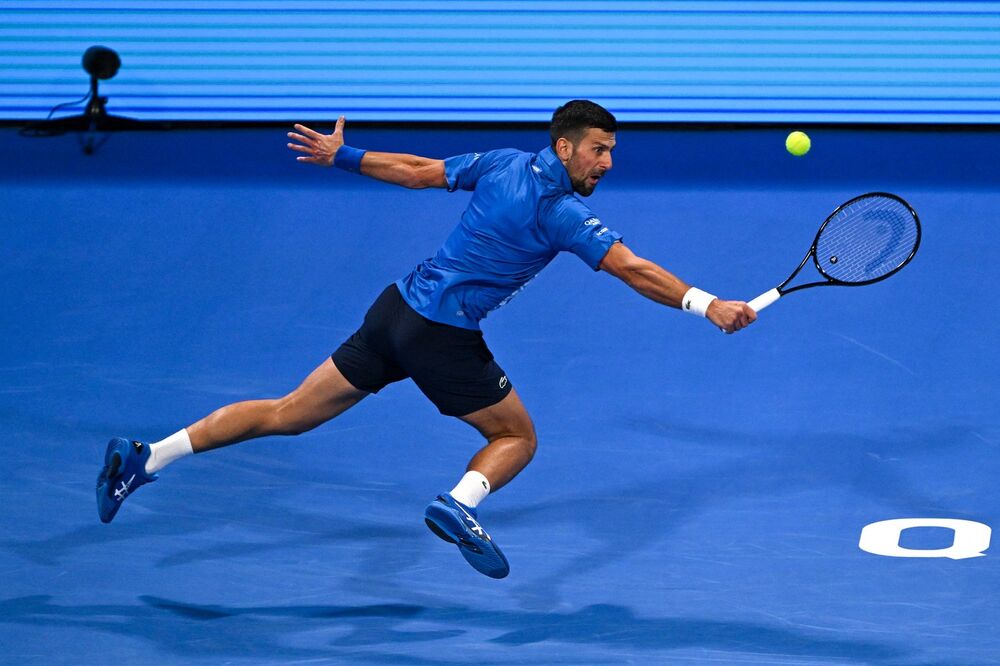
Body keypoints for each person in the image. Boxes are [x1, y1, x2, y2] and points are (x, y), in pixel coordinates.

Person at [96, 100, 756, 579]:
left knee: (288, 413)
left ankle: (147, 457)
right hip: (442, 337)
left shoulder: (501, 162)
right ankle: (459, 505)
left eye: (611, 151)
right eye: (598, 150)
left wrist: (341, 155)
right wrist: (708, 305)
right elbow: (632, 269)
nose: (607, 162)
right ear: (564, 148)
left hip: (395, 311)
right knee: (516, 438)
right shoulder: (563, 214)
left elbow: (417, 170)